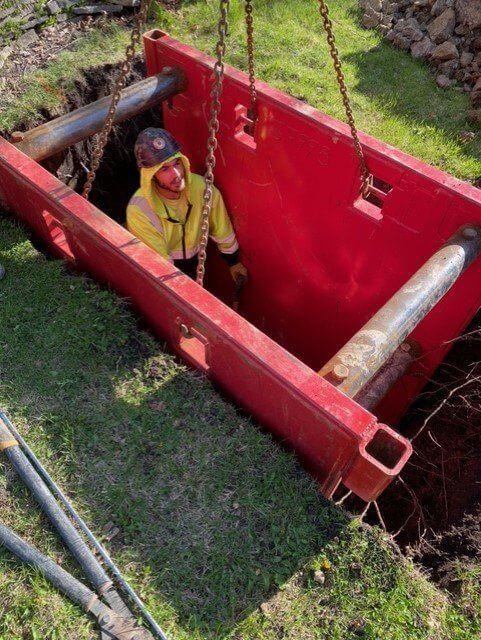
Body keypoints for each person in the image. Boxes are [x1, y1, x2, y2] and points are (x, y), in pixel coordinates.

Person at [126, 127, 248, 282]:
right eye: (164, 169)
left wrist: (233, 263)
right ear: (150, 177)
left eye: (177, 164)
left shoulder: (202, 188)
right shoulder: (139, 210)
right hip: (167, 272)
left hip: (196, 262)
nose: (177, 174)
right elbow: (161, 269)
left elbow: (222, 230)